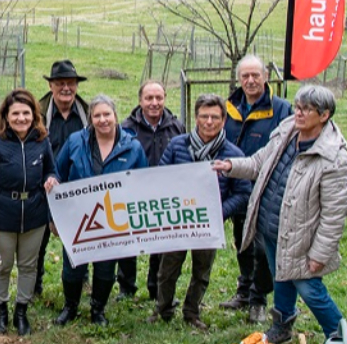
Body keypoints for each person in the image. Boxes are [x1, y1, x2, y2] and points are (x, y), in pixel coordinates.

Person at [214, 85, 347, 344]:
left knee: (310, 289)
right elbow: (258, 163)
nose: (298, 113)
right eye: (298, 107)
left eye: (306, 110)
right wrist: (230, 166)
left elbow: (334, 216)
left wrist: (320, 254)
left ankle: (340, 338)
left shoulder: (334, 159)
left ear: (324, 115)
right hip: (271, 225)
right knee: (281, 275)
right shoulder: (288, 131)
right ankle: (282, 325)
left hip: (301, 236)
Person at [150, 94, 249, 330]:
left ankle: (192, 312)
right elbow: (161, 177)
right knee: (167, 268)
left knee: (202, 270)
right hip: (178, 220)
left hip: (209, 223)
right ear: (196, 118)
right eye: (204, 116)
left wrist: (219, 211)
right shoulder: (177, 145)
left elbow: (243, 193)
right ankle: (163, 308)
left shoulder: (233, 154)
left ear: (223, 120)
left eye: (215, 117)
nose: (209, 122)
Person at [51, 94, 148, 326]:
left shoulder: (132, 147)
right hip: (78, 217)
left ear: (116, 116)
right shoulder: (76, 141)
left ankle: (98, 310)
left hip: (113, 219)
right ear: (91, 119)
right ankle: (70, 307)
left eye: (107, 114)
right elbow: (58, 171)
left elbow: (143, 183)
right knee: (73, 265)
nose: (103, 120)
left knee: (105, 267)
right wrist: (52, 180)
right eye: (98, 115)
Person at [0, 89, 57, 336]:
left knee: (28, 265)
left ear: (34, 115)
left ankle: (21, 311)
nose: (21, 118)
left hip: (34, 215)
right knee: (2, 266)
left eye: (26, 113)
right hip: (4, 216)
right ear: (6, 116)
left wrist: (52, 178)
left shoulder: (42, 141)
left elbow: (51, 170)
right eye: (16, 114)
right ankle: (1, 310)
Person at [220, 55, 293, 324]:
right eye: (245, 76)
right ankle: (244, 289)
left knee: (262, 248)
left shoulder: (281, 109)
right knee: (243, 243)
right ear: (239, 79)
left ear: (265, 76)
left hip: (267, 190)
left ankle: (259, 297)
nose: (250, 81)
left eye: (255, 75)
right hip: (237, 188)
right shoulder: (229, 108)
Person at [120, 80, 186, 300]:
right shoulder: (126, 128)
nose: (154, 103)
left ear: (165, 98)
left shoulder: (176, 127)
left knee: (161, 243)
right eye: (149, 98)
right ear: (140, 101)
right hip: (134, 192)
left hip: (164, 194)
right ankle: (126, 286)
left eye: (159, 98)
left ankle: (156, 287)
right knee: (128, 240)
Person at [34, 60, 89, 298]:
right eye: (60, 83)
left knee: (81, 237)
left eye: (70, 83)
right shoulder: (37, 112)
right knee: (38, 239)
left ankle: (81, 281)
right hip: (42, 185)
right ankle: (34, 285)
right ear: (51, 85)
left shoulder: (87, 113)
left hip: (78, 187)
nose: (66, 88)